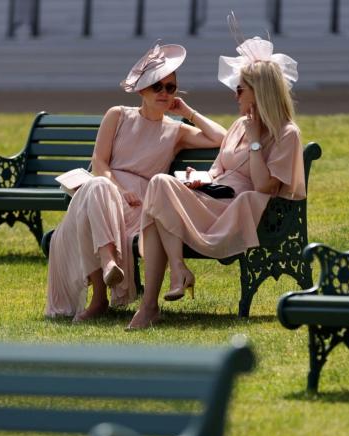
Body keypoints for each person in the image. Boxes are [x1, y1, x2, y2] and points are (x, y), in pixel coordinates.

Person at [127, 35, 305, 330]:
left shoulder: (287, 134)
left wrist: (257, 141)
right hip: (212, 197)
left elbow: (263, 187)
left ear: (259, 92)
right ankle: (168, 284)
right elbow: (216, 169)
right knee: (161, 190)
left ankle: (160, 296)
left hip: (237, 210)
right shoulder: (238, 126)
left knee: (158, 194)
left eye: (240, 90)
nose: (235, 96)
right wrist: (197, 179)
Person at [44, 41, 226, 321]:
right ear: (142, 90)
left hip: (141, 207)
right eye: (158, 87)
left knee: (96, 195)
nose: (164, 93)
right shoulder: (117, 115)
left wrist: (188, 112)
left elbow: (222, 139)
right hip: (108, 192)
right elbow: (100, 163)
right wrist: (120, 188)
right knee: (98, 186)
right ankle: (106, 270)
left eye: (170, 88)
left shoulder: (176, 131)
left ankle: (102, 290)